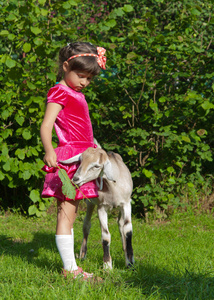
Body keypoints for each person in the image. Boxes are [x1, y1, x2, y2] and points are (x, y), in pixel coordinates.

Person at [40, 42, 106, 280]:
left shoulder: (75, 93)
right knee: (66, 214)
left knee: (71, 213)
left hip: (83, 157)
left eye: (88, 78)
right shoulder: (59, 92)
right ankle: (70, 270)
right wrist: (49, 150)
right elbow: (47, 125)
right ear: (65, 66)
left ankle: (71, 268)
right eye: (80, 76)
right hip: (69, 159)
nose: (84, 82)